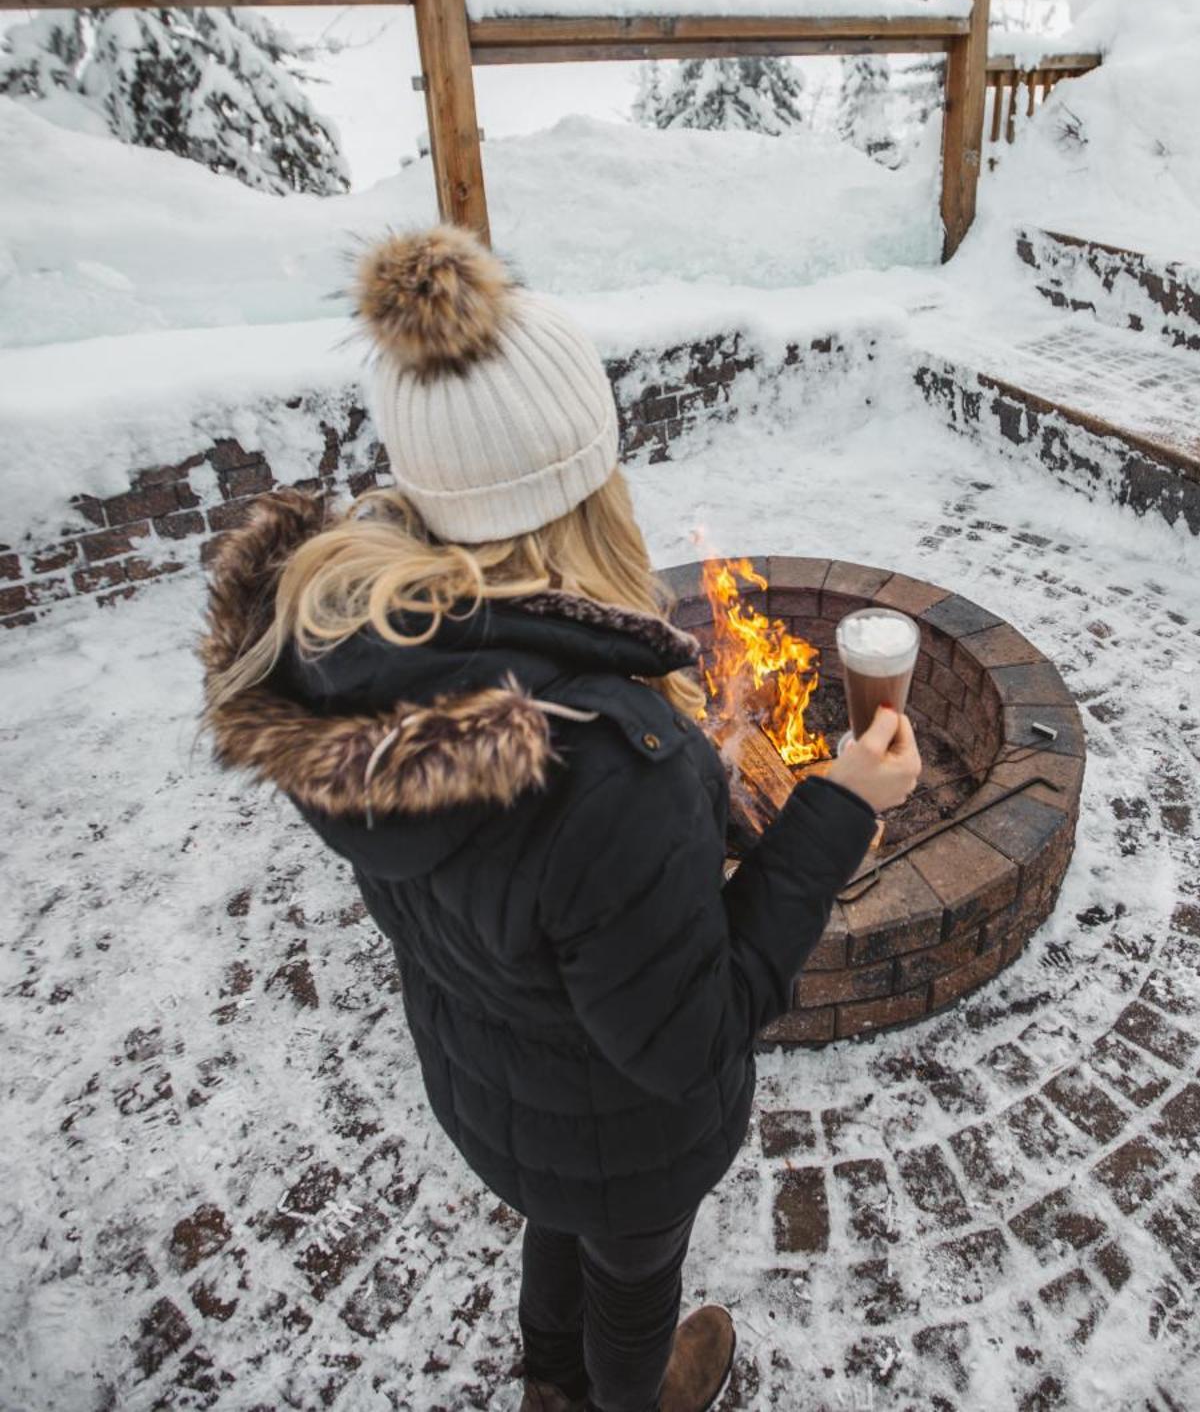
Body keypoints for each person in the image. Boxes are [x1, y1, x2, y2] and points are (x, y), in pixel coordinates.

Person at [198, 223, 922, 1412]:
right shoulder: (606, 760)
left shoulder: (358, 670)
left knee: (556, 1222)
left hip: (498, 1083)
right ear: (584, 482)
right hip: (628, 1134)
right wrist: (837, 808)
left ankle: (549, 1384)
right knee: (634, 1284)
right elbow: (697, 1034)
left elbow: (536, 893)